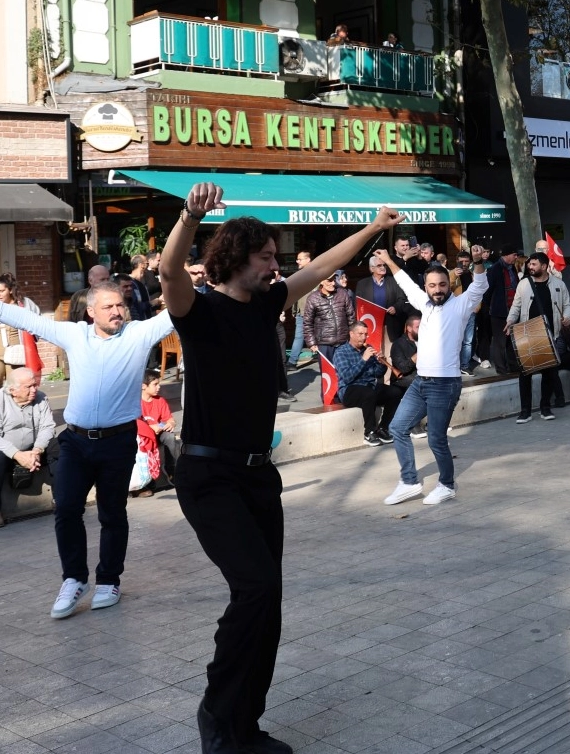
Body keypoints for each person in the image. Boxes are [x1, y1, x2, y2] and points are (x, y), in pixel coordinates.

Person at [159, 181, 400, 754]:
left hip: (257, 475)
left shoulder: (267, 301)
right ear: (236, 256)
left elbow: (319, 270)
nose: (275, 266)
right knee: (255, 586)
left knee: (268, 604)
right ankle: (217, 715)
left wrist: (374, 228)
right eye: (265, 257)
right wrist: (189, 217)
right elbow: (170, 275)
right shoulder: (200, 310)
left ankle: (246, 726)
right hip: (208, 474)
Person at [0, 281, 175, 618]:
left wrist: (208, 282)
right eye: (109, 307)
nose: (117, 312)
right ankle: (74, 579)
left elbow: (178, 311)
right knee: (67, 508)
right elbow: (29, 321)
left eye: (120, 306)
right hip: (76, 441)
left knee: (112, 513)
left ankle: (108, 580)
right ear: (91, 312)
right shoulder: (75, 335)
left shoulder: (138, 334)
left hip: (118, 441)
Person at [379, 250, 487, 507]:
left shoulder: (461, 305)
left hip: (445, 384)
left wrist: (479, 262)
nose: (437, 290)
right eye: (432, 286)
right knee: (397, 428)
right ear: (426, 287)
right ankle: (409, 482)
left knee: (435, 438)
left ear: (448, 285)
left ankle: (447, 485)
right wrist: (389, 260)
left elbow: (480, 285)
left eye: (442, 285)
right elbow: (405, 282)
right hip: (420, 383)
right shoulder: (424, 304)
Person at [0, 367, 54, 528]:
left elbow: (48, 427)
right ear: (13, 390)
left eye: (35, 385)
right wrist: (17, 454)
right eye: (28, 387)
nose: (34, 389)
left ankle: (61, 500)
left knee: (60, 447)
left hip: (32, 449)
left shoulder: (41, 398)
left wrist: (38, 449)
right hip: (2, 450)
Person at [506, 251, 570, 423]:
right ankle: (525, 411)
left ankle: (545, 407)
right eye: (529, 264)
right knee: (525, 373)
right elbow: (516, 305)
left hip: (550, 334)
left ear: (544, 266)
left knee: (549, 372)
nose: (530, 267)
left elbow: (567, 304)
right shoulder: (524, 283)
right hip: (528, 333)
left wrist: (567, 317)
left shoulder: (558, 284)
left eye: (534, 264)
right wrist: (510, 320)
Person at [334, 321, 399, 446]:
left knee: (395, 392)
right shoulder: (341, 352)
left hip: (369, 387)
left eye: (365, 334)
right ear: (351, 334)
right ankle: (369, 432)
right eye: (360, 334)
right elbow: (347, 377)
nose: (363, 337)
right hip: (349, 390)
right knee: (368, 393)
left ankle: (383, 428)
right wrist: (363, 359)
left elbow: (377, 373)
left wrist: (381, 363)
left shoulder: (367, 349)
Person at [137, 369, 181, 493]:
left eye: (159, 384)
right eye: (155, 384)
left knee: (170, 437)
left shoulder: (159, 400)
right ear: (143, 386)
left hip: (159, 434)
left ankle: (173, 470)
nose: (159, 387)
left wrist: (171, 423)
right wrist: (150, 427)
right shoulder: (136, 402)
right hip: (143, 437)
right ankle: (145, 483)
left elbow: (169, 418)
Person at [355, 252, 411, 345]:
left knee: (389, 355)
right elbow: (358, 305)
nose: (382, 267)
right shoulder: (362, 284)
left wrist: (395, 308)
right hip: (371, 325)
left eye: (384, 265)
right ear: (371, 269)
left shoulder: (393, 281)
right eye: (379, 265)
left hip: (390, 326)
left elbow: (402, 299)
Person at [302, 272, 354, 365]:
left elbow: (351, 316)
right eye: (329, 281)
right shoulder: (313, 298)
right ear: (321, 281)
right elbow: (307, 322)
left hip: (343, 342)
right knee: (328, 377)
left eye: (333, 280)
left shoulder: (342, 293)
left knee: (344, 374)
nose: (333, 283)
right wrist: (311, 342)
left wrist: (353, 336)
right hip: (324, 344)